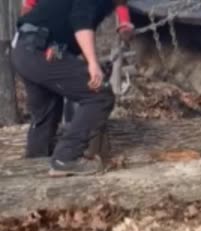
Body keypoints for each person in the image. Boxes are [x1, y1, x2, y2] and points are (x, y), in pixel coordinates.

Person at [11, 0, 134, 176]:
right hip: (39, 48)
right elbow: (81, 21)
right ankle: (66, 158)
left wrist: (124, 22)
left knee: (48, 110)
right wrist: (92, 64)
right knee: (99, 95)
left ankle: (34, 168)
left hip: (24, 48)